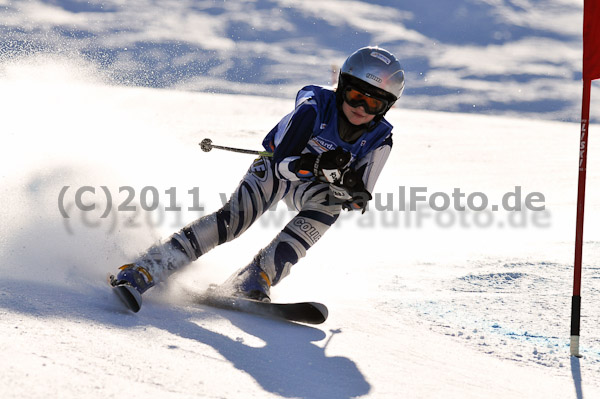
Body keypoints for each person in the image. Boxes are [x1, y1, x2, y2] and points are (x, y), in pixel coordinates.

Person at [111, 46, 405, 305]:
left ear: (386, 108)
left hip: (314, 185)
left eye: (373, 104)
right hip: (277, 169)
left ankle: (256, 276)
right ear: (342, 87)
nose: (360, 108)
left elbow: (358, 200)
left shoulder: (381, 139)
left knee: (328, 208)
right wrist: (317, 166)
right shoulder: (314, 107)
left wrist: (349, 189)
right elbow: (281, 164)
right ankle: (145, 268)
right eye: (355, 96)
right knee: (234, 222)